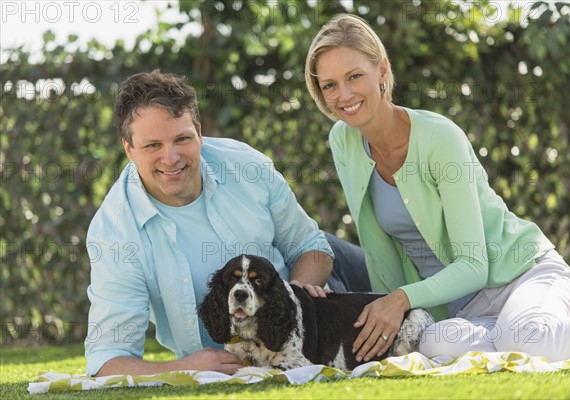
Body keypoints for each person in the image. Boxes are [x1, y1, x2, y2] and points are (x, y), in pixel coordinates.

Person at [304, 13, 570, 364]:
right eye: (330, 85)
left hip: (524, 274)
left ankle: (528, 333)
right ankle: (518, 336)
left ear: (382, 72)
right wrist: (385, 312)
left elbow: (473, 265)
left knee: (526, 338)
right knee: (434, 347)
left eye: (355, 76)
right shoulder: (343, 140)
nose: (345, 95)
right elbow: (378, 249)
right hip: (463, 308)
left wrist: (400, 299)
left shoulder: (439, 139)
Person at [84, 70, 371, 377]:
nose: (171, 158)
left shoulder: (247, 167)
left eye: (182, 139)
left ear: (199, 132)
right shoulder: (115, 234)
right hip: (236, 359)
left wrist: (292, 300)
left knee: (403, 306)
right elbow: (107, 360)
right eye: (153, 145)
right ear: (129, 149)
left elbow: (310, 247)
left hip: (322, 304)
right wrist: (183, 367)